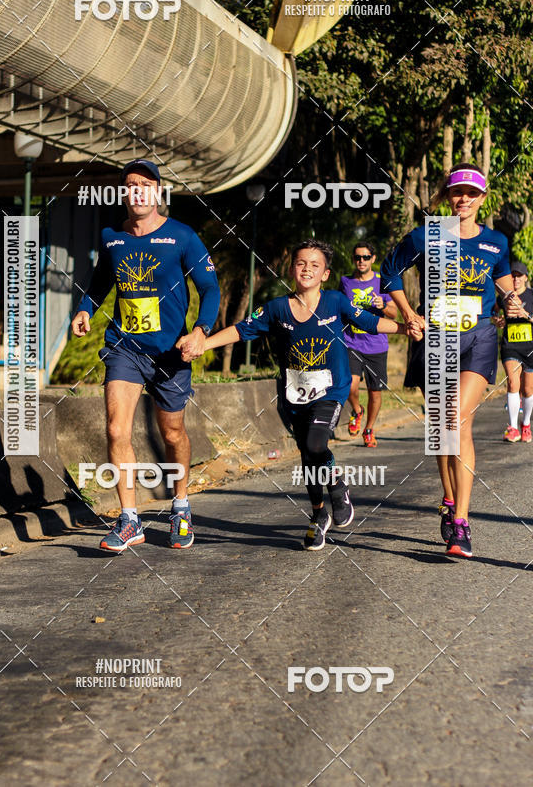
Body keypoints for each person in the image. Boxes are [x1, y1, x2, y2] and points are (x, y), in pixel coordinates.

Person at [181, 239, 416, 551]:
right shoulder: (277, 309)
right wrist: (202, 344)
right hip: (294, 394)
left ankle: (336, 484)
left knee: (316, 443)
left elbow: (369, 322)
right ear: (292, 269)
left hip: (332, 389)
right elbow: (241, 330)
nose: (307, 269)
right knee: (308, 456)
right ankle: (318, 515)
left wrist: (405, 327)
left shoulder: (335, 302)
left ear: (326, 274)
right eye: (301, 263)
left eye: (314, 265)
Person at [71, 159, 220, 551]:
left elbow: (210, 288)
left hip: (171, 354)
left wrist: (201, 331)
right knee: (117, 429)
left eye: (145, 183)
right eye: (130, 184)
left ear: (157, 192)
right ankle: (129, 520)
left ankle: (181, 505)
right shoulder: (111, 237)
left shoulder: (183, 237)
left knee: (172, 433)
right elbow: (101, 282)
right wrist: (85, 308)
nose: (137, 189)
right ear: (124, 193)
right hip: (125, 347)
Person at [380, 162, 518, 559]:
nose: (464, 199)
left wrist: (512, 301)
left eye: (472, 193)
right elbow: (390, 275)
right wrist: (408, 313)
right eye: (457, 192)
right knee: (442, 428)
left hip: (479, 336)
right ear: (447, 195)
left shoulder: (496, 241)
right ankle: (447, 497)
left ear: (483, 198)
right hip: (436, 335)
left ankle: (461, 521)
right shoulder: (428, 235)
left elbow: (503, 279)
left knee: (457, 419)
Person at [340, 242, 398, 447]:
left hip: (376, 346)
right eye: (357, 257)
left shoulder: (383, 283)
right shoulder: (345, 282)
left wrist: (383, 306)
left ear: (373, 259)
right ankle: (357, 410)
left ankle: (369, 428)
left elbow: (394, 313)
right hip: (352, 342)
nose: (361, 261)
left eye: (365, 257)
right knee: (349, 384)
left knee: (375, 392)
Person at [497, 261, 533, 443]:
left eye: (519, 276)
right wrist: (497, 320)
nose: (515, 279)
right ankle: (512, 428)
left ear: (526, 277)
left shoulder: (532, 296)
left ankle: (525, 425)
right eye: (513, 275)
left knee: (527, 389)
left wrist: (524, 314)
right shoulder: (503, 297)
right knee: (512, 383)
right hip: (510, 346)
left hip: (530, 348)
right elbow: (494, 313)